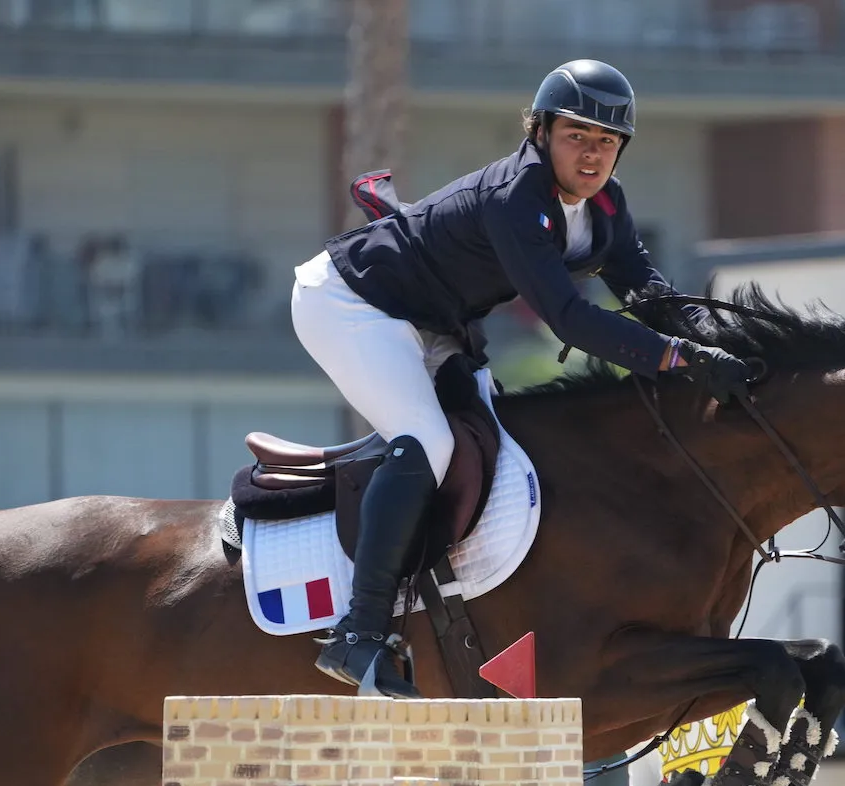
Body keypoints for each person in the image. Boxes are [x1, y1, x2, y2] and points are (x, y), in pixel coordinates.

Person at [289, 59, 754, 697]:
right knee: (428, 441)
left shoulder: (607, 206)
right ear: (540, 133)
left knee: (498, 439)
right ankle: (359, 633)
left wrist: (731, 344)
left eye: (607, 142)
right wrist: (677, 358)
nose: (593, 156)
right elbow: (566, 316)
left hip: (432, 319)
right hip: (352, 302)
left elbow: (650, 294)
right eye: (577, 137)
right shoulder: (516, 199)